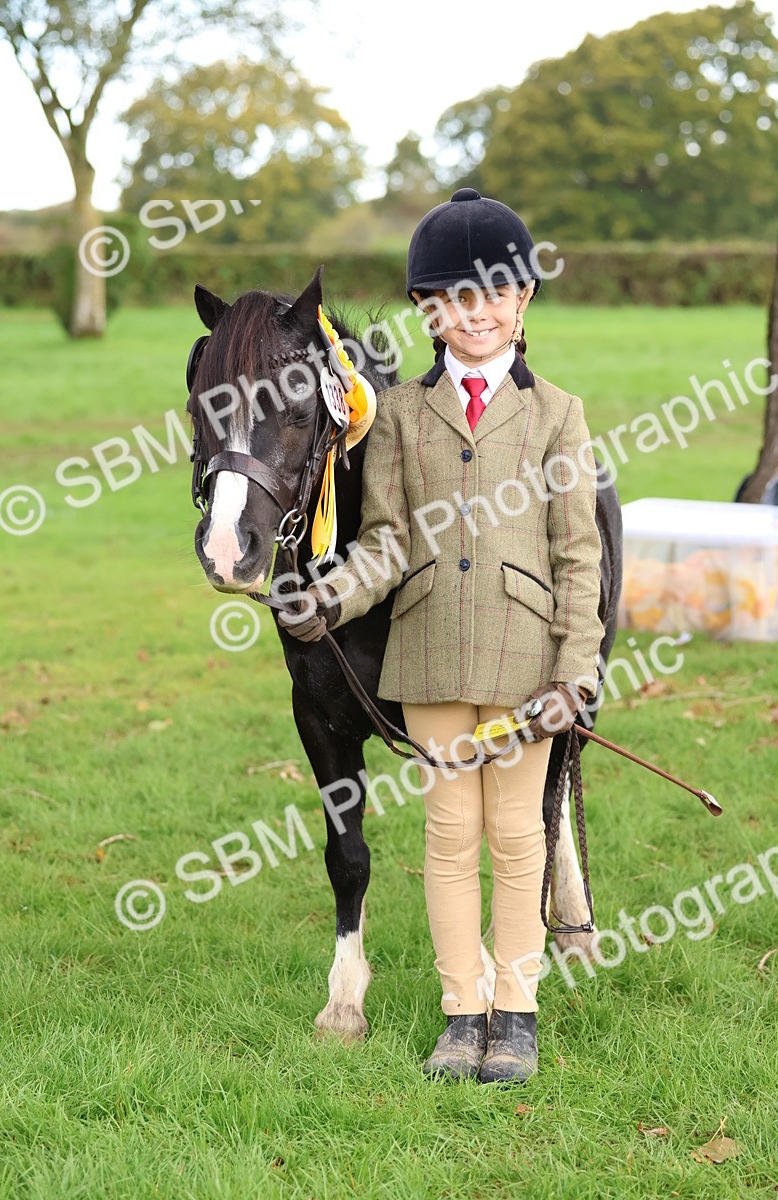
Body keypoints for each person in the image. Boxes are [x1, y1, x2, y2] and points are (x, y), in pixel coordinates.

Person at [278, 188, 605, 1084]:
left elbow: (578, 559)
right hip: (428, 658)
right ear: (428, 310)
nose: (476, 313)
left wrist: (575, 675)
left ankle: (517, 1010)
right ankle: (464, 1011)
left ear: (523, 299)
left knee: (519, 837)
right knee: (450, 836)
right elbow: (385, 542)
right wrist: (330, 600)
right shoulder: (398, 415)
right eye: (453, 298)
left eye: (493, 293)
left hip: (526, 663)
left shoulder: (558, 415)